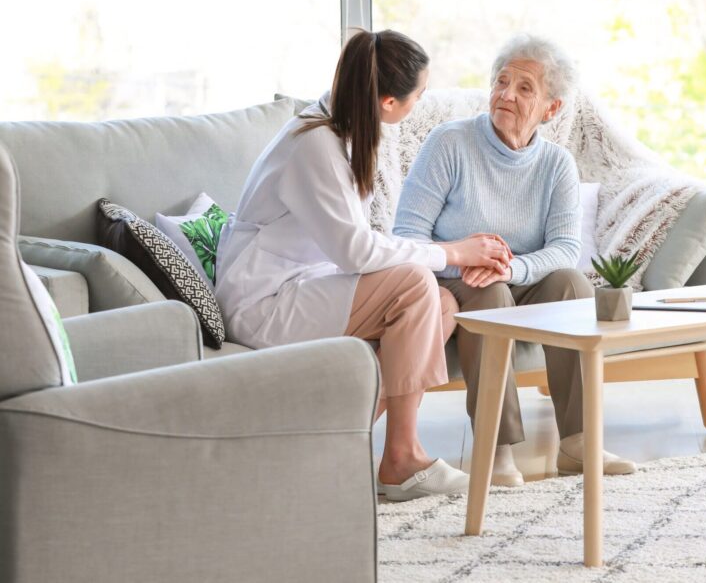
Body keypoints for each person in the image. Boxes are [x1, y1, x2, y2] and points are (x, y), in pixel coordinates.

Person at [215, 29, 512, 501]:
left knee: (441, 304)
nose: (420, 103)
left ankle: (326, 442)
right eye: (418, 95)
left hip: (301, 287)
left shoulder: (338, 133)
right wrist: (452, 251)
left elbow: (357, 246)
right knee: (418, 285)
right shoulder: (313, 145)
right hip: (264, 305)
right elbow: (355, 252)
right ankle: (402, 459)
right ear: (389, 102)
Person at [393, 33, 637, 486]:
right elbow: (407, 237)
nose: (506, 94)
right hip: (452, 279)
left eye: (525, 88)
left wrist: (512, 267)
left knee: (571, 285)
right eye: (501, 81)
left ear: (552, 108)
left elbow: (565, 248)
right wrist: (465, 262)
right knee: (489, 291)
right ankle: (496, 448)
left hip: (517, 277)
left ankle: (578, 441)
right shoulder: (450, 144)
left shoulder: (557, 165)